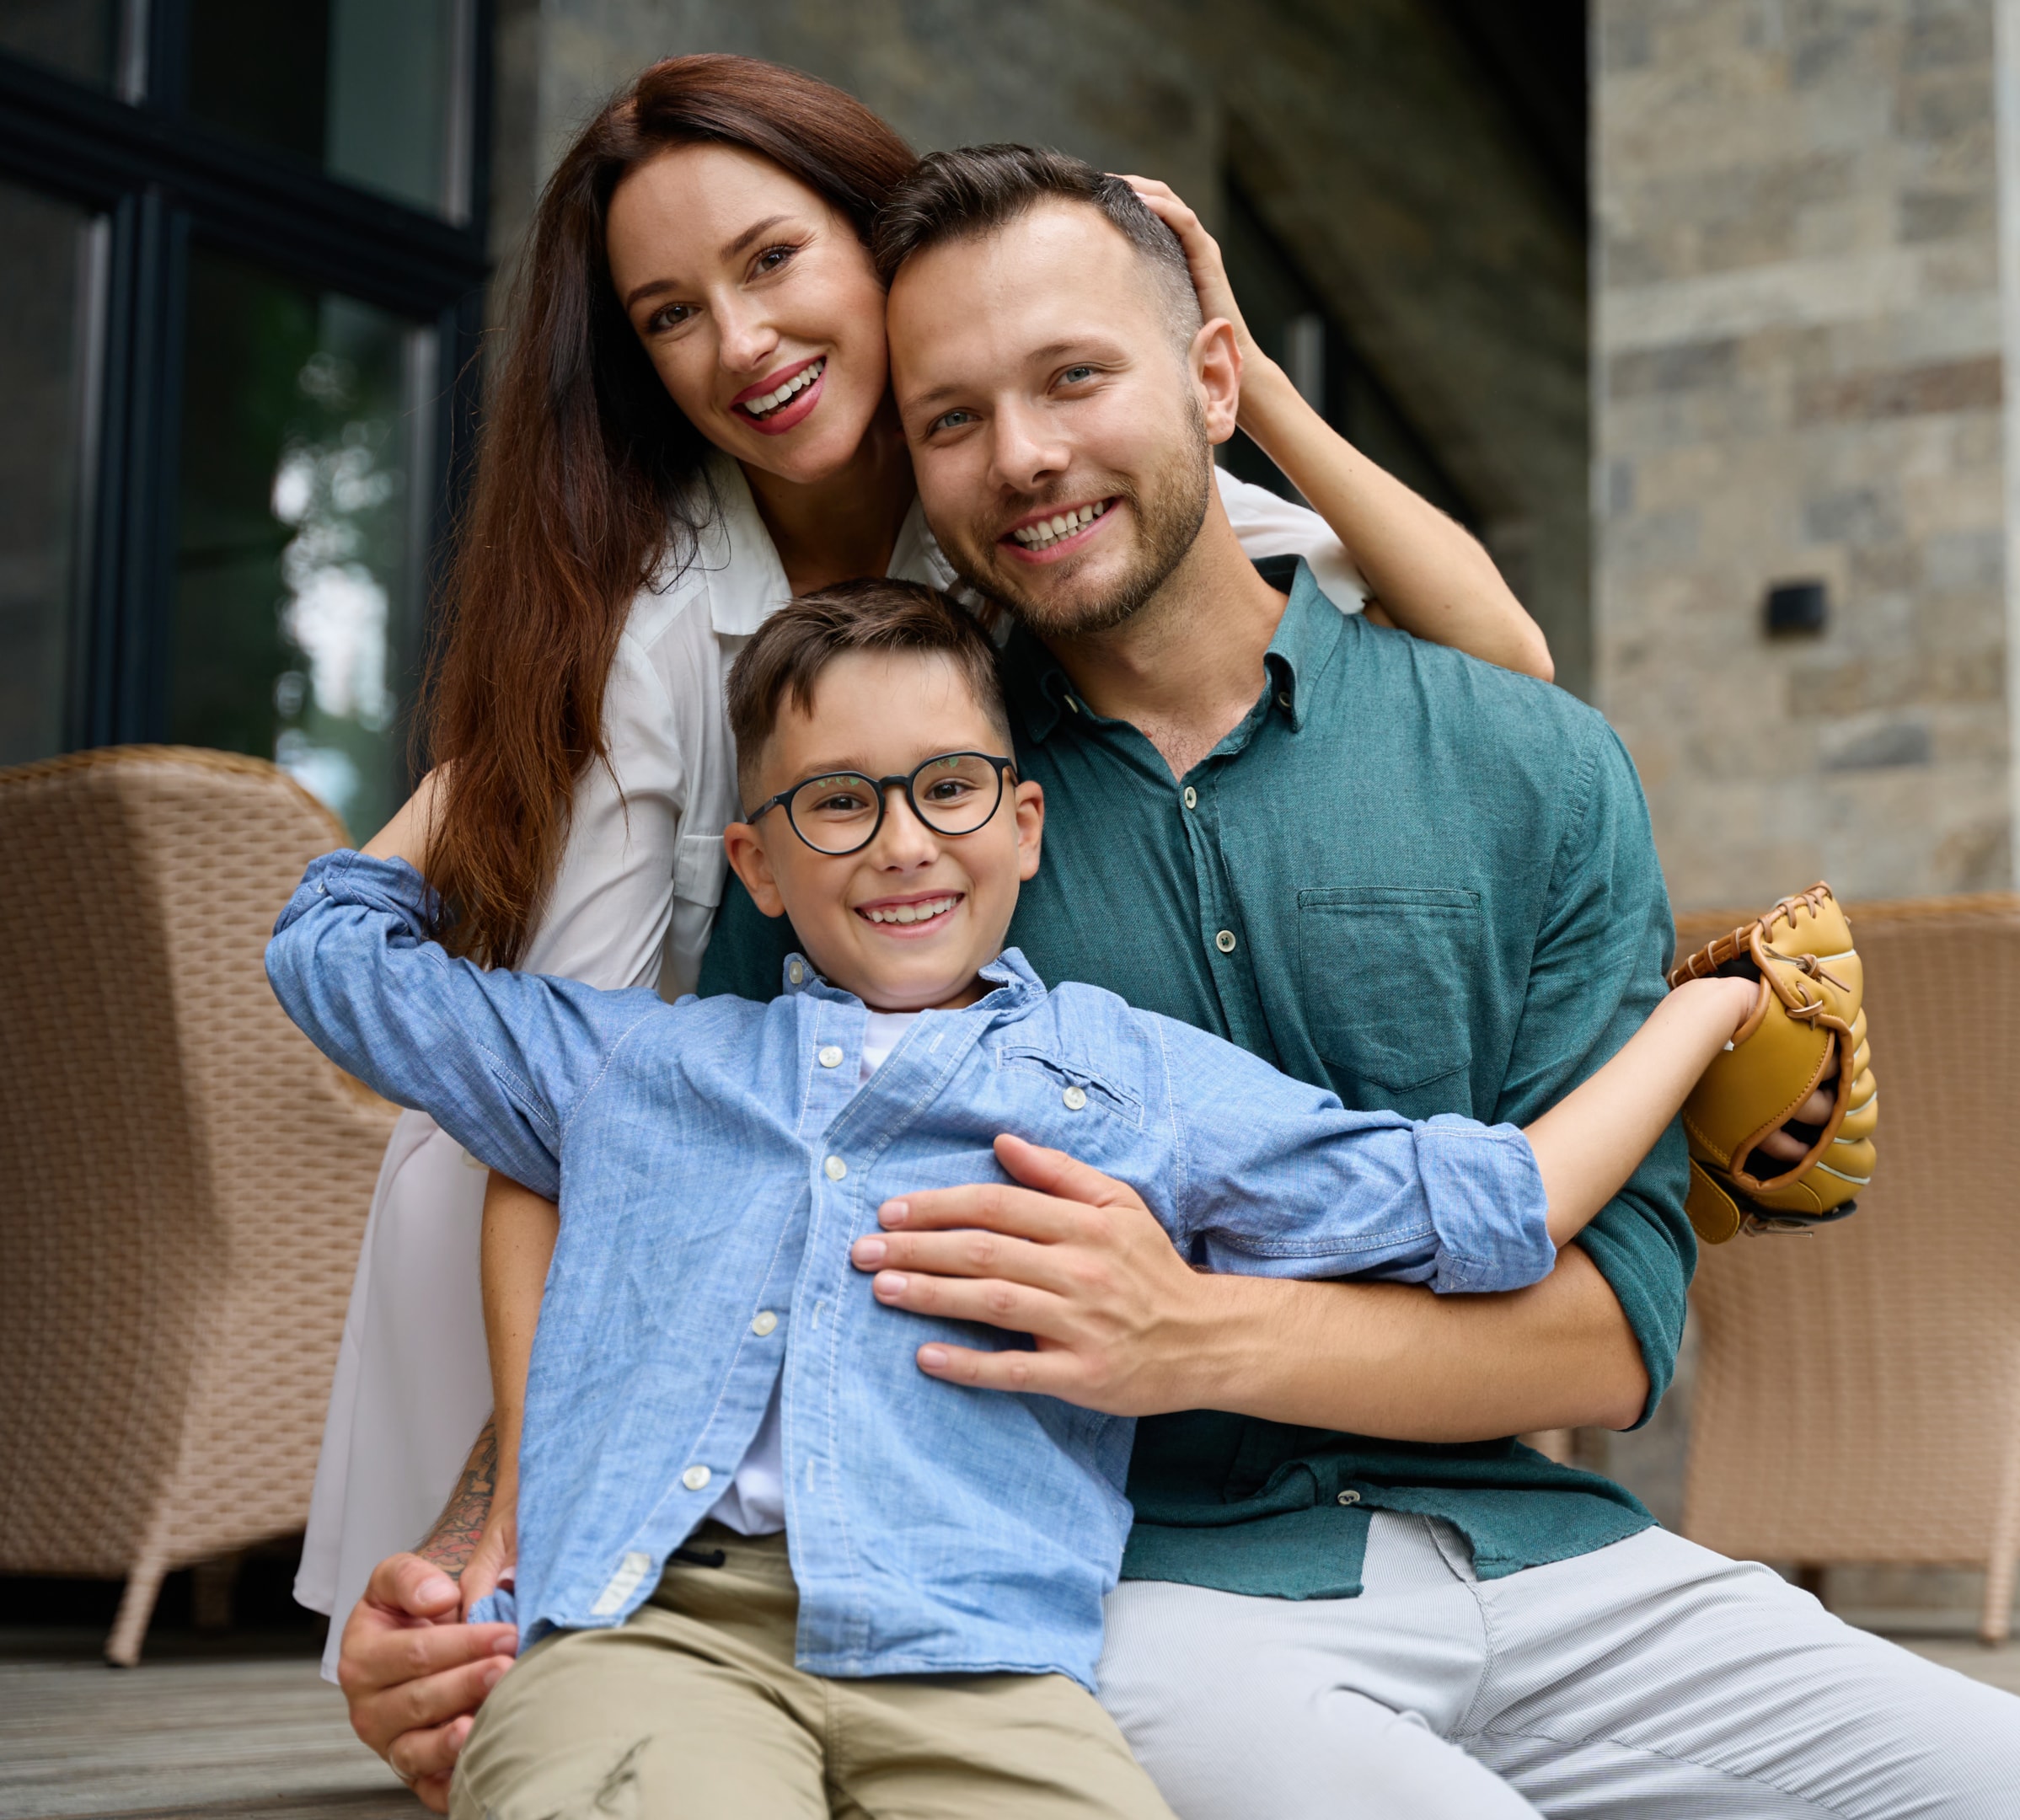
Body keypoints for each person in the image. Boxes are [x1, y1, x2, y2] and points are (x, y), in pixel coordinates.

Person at [341, 133, 2020, 1820]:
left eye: (1075, 377)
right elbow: (692, 1183)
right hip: (1141, 1588)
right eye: (952, 416)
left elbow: (1611, 1340)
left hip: (1547, 1551)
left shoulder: (1521, 762)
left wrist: (1192, 1332)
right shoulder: (901, 828)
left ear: (1212, 381)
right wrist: (497, 1550)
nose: (1025, 456)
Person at [302, 54, 1554, 1787]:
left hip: (872, 1345)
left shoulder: (1023, 502)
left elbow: (1509, 677)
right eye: (669, 313)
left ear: (882, 256)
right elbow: (552, 1131)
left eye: (771, 262)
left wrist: (1233, 369)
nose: (737, 342)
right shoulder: (656, 624)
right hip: (611, 1268)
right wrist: (523, 1517)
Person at [268, 578, 1770, 1820]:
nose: (906, 842)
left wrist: (1707, 1015)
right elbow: (329, 956)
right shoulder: (636, 1064)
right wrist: (526, 731)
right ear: (759, 865)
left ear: (1026, 823)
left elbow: (1488, 1203)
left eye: (948, 788)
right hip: (658, 1629)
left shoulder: (1130, 1086)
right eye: (838, 804)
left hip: (986, 1660)